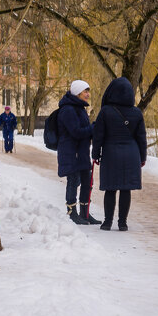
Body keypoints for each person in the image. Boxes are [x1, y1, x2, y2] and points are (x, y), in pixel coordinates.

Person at [92, 76, 147, 230]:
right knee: (125, 188)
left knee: (110, 188)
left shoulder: (106, 111)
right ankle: (122, 223)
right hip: (131, 153)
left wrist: (95, 154)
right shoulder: (137, 113)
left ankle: (107, 222)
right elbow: (141, 137)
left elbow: (98, 136)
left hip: (111, 152)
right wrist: (142, 158)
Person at [57, 79, 101, 225]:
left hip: (80, 152)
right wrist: (93, 128)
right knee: (74, 181)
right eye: (85, 91)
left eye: (88, 91)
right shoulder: (68, 109)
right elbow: (75, 132)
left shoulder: (80, 108)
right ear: (77, 92)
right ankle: (72, 213)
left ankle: (85, 213)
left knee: (87, 182)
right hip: (71, 152)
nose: (88, 94)